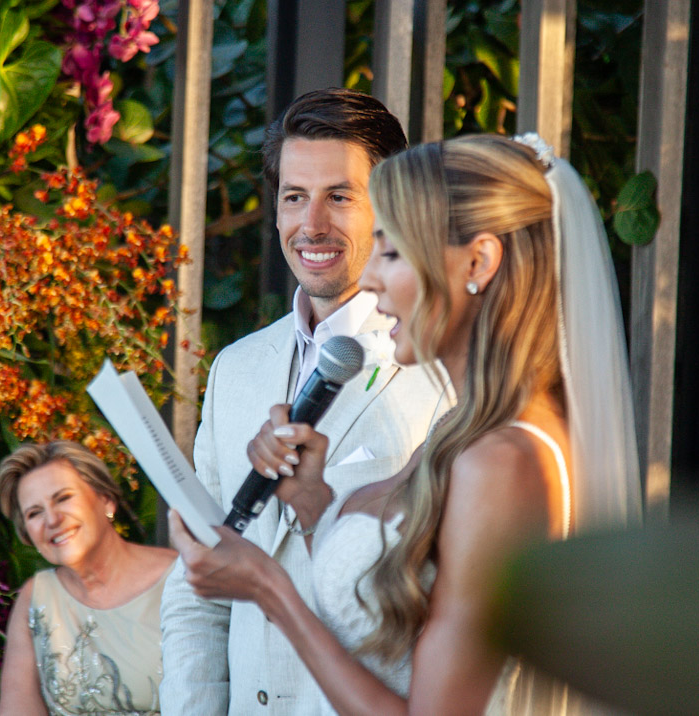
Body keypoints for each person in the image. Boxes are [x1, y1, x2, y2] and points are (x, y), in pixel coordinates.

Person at [169, 134, 643, 715]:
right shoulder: (465, 431)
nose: (369, 281)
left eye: (392, 253)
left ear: (479, 262)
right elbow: (395, 624)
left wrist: (270, 590)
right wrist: (314, 500)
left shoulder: (504, 460)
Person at [159, 88, 453, 715]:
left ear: (393, 208)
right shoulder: (235, 369)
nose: (312, 225)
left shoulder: (443, 376)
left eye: (339, 197)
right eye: (295, 197)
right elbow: (196, 589)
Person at [0, 441, 176, 716]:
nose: (52, 519)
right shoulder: (37, 597)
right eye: (34, 513)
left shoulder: (181, 579)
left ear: (106, 499)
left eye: (63, 498)